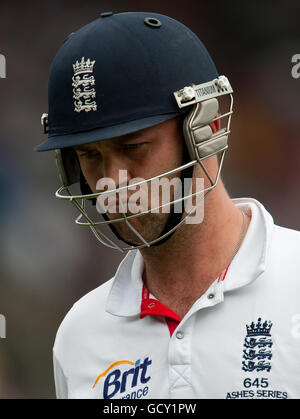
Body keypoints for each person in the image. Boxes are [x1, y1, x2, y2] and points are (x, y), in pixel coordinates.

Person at [35, 12, 300, 399]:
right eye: (89, 155)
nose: (114, 180)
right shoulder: (80, 336)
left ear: (207, 127)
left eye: (134, 147)